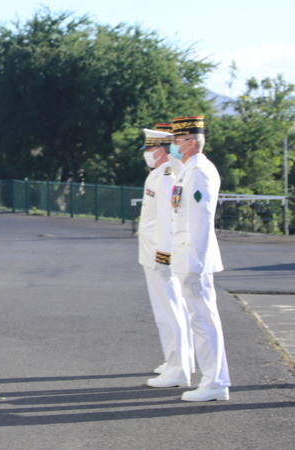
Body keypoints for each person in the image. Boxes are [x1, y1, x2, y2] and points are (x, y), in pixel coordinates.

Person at [169, 115, 230, 402]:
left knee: (203, 320)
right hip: (188, 256)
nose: (173, 147)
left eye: (177, 142)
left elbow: (200, 221)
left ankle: (214, 382)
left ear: (191, 142)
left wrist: (195, 262)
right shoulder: (189, 169)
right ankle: (214, 380)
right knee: (201, 319)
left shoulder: (199, 172)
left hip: (195, 259)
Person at [137, 126, 194, 389]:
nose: (145, 154)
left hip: (160, 255)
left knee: (168, 311)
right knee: (173, 309)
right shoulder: (160, 175)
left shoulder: (166, 177)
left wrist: (163, 256)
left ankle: (177, 368)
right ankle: (180, 360)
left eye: (148, 149)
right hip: (156, 252)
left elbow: (168, 219)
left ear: (159, 151)